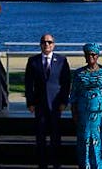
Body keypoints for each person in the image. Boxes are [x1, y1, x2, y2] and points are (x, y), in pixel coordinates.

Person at [25, 33, 71, 169]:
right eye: (44, 42)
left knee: (56, 137)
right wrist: (30, 103)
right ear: (40, 44)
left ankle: (57, 164)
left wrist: (64, 102)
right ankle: (42, 164)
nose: (47, 45)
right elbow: (28, 84)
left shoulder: (62, 60)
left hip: (56, 105)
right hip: (39, 105)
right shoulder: (33, 61)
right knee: (40, 138)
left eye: (49, 42)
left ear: (54, 45)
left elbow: (66, 83)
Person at [68, 42, 102, 169]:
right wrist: (74, 112)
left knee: (98, 141)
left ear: (98, 55)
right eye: (88, 54)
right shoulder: (79, 73)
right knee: (84, 141)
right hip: (83, 113)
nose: (91, 57)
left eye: (93, 54)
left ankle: (99, 166)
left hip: (100, 115)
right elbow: (74, 94)